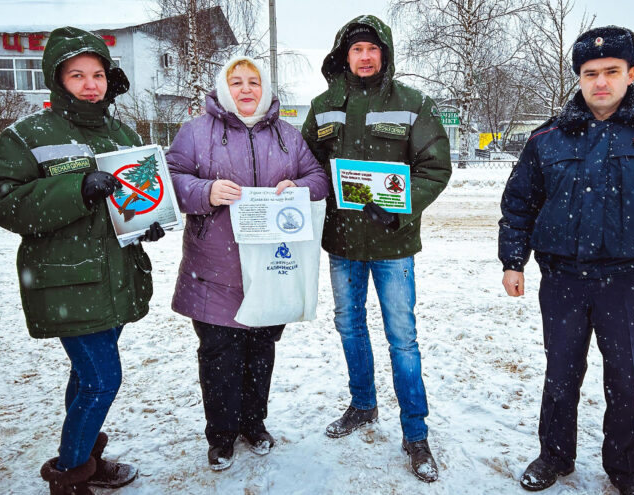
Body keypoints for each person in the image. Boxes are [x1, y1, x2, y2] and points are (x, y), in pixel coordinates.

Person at [498, 26, 634, 495]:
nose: (600, 82)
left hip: (629, 280)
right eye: (590, 73)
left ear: (631, 74)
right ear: (578, 77)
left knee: (627, 379)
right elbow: (519, 204)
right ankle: (554, 455)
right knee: (560, 373)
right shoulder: (548, 137)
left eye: (611, 71)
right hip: (563, 278)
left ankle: (625, 469)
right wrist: (513, 260)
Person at [0, 26, 165, 495]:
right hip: (67, 282)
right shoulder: (28, 135)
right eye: (77, 75)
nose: (90, 84)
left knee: (86, 377)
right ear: (57, 79)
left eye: (98, 74)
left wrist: (147, 222)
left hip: (115, 277)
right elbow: (0, 200)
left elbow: (135, 196)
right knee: (102, 381)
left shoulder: (122, 133)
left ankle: (84, 457)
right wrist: (75, 189)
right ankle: (69, 475)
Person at [302, 15, 451, 483]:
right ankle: (363, 405)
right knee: (349, 326)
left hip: (393, 243)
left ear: (384, 54)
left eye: (372, 49)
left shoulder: (413, 103)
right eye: (356, 49)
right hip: (342, 242)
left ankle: (415, 433)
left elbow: (434, 168)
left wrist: (400, 208)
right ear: (344, 56)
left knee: (402, 337)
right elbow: (306, 165)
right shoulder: (323, 107)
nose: (365, 57)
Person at [166, 55, 329, 472]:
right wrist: (205, 191)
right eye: (236, 82)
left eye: (253, 82)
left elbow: (318, 179)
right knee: (219, 356)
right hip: (215, 270)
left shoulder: (288, 135)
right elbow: (169, 179)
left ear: (265, 88)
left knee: (260, 353)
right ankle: (221, 436)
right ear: (224, 88)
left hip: (272, 269)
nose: (245, 89)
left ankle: (254, 424)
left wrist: (298, 186)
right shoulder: (196, 132)